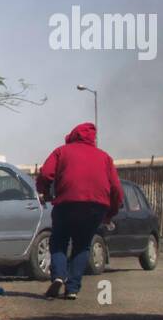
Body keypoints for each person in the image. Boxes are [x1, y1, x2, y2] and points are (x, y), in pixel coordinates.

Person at [36, 122, 123, 301]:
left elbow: (45, 174)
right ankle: (73, 288)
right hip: (96, 207)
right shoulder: (104, 157)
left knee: (59, 241)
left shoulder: (62, 151)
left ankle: (59, 276)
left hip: (67, 204)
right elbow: (116, 188)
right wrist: (110, 213)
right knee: (82, 245)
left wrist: (43, 190)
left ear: (73, 135)